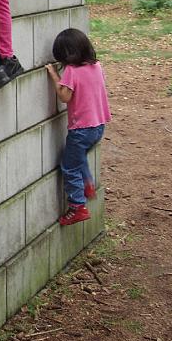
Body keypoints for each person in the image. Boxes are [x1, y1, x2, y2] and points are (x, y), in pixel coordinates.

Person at [45, 28, 112, 226]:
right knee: (79, 156)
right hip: (98, 126)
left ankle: (77, 206)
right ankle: (88, 185)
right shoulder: (97, 66)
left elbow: (65, 96)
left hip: (81, 129)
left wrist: (55, 76)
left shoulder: (72, 71)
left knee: (69, 166)